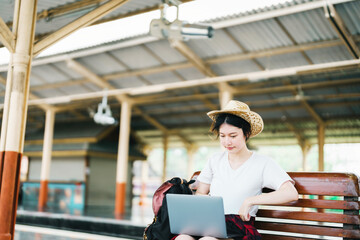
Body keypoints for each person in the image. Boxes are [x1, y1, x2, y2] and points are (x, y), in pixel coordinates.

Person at [175, 100, 299, 240]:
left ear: (246, 133)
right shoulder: (215, 160)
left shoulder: (263, 163)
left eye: (233, 136)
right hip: (211, 224)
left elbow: (291, 193)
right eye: (222, 136)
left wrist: (250, 201)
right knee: (182, 238)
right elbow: (201, 193)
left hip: (239, 228)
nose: (227, 142)